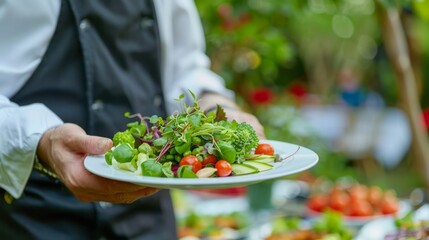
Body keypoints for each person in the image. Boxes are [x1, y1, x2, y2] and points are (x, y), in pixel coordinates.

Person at [0, 0, 263, 239]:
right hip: (31, 209)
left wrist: (218, 109)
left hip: (149, 215)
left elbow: (185, 68)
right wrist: (42, 141)